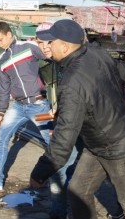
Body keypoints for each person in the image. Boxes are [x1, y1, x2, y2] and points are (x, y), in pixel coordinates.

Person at [29, 19, 125, 219]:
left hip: (121, 146)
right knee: (79, 191)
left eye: (50, 42)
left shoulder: (72, 81)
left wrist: (40, 173)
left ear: (65, 45)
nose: (47, 46)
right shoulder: (96, 53)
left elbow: (64, 138)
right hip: (98, 144)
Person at [0, 21, 72, 219]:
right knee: (0, 137)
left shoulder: (29, 49)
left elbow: (51, 64)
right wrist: (1, 112)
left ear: (9, 34)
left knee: (52, 144)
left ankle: (63, 181)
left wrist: (56, 98)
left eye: (0, 39)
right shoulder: (2, 60)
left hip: (39, 105)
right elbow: (4, 88)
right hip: (18, 106)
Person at [34, 22, 78, 219]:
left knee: (59, 172)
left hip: (78, 127)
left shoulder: (73, 64)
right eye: (40, 42)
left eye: (49, 41)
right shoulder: (47, 67)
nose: (45, 46)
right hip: (65, 124)